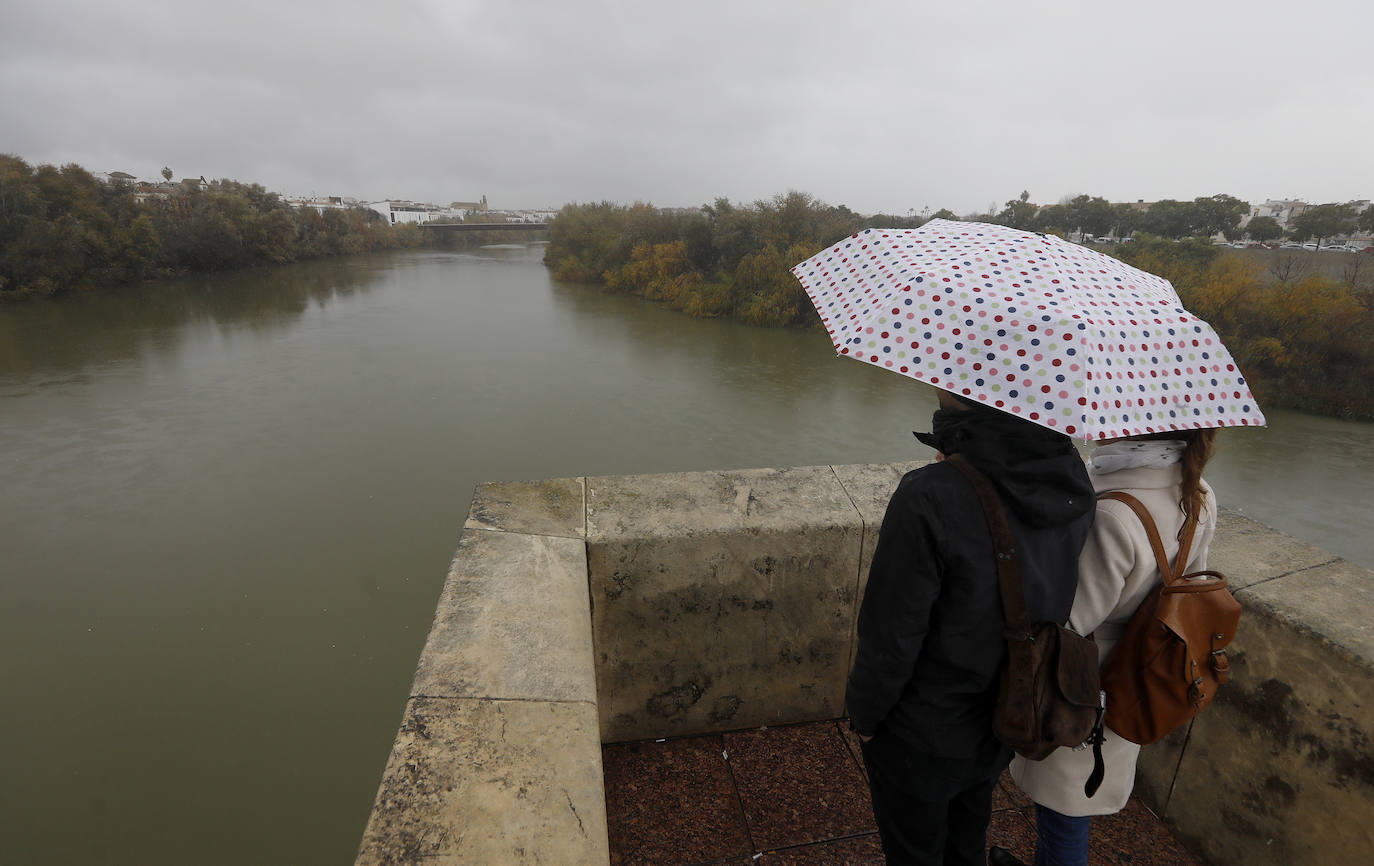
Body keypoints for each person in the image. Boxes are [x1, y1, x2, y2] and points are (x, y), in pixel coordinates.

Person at [845, 389, 1096, 866]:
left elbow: (890, 636)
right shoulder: (1071, 482)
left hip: (922, 727)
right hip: (1007, 711)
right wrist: (964, 461)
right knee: (967, 839)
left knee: (914, 850)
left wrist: (866, 717)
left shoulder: (928, 495)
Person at [1001, 429, 1219, 866]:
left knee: (1064, 806)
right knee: (1076, 799)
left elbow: (1073, 617)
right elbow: (1190, 586)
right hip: (1140, 667)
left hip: (1083, 678)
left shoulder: (1113, 511)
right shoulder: (1197, 493)